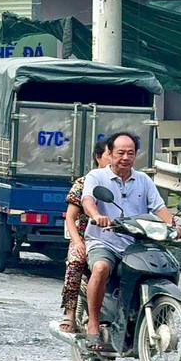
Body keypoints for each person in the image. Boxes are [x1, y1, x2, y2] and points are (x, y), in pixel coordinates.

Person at [80, 131, 181, 351]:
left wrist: (174, 226)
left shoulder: (144, 180)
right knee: (100, 268)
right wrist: (96, 215)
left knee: (161, 266)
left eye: (130, 153)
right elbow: (88, 200)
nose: (125, 157)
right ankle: (93, 324)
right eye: (120, 152)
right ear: (109, 153)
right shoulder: (96, 177)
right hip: (105, 241)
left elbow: (159, 208)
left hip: (134, 244)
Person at [58, 138, 113, 334]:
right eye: (110, 155)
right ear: (99, 158)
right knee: (76, 261)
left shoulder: (122, 182)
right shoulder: (83, 183)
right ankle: (70, 312)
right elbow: (70, 218)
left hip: (114, 239)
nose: (115, 159)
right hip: (85, 237)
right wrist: (77, 242)